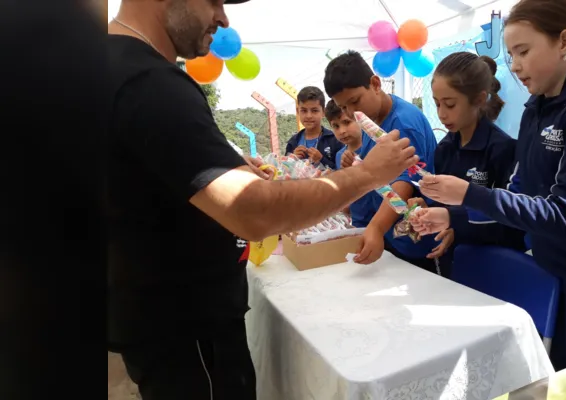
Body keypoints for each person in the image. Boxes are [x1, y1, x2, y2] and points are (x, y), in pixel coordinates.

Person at [107, 1, 419, 399]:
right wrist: (367, 174)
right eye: (214, 1)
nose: (223, 20)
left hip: (165, 316)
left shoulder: (112, 67)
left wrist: (226, 169)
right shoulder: (149, 82)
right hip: (187, 327)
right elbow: (253, 210)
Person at [411, 1, 566, 399]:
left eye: (523, 51)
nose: (514, 67)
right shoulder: (536, 109)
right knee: (558, 381)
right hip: (550, 268)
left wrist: (468, 193)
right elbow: (519, 197)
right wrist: (453, 219)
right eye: (511, 54)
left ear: (565, 42)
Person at [408, 52, 526, 279]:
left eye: (450, 104)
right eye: (437, 104)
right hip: (453, 263)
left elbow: (511, 224)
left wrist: (458, 225)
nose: (441, 114)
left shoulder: (503, 149)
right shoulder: (445, 149)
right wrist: (424, 203)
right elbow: (443, 205)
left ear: (480, 99)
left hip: (494, 269)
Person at [323, 50, 440, 272]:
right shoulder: (371, 121)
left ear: (375, 84)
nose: (351, 112)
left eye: (355, 101)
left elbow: (404, 183)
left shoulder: (403, 123)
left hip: (413, 242)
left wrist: (376, 228)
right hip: (390, 237)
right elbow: (376, 174)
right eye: (344, 107)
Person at [284, 86, 342, 169]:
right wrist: (292, 159)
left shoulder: (334, 140)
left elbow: (342, 172)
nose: (309, 116)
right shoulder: (293, 142)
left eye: (314, 110)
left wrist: (321, 159)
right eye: (304, 110)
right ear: (298, 111)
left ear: (323, 112)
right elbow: (284, 171)